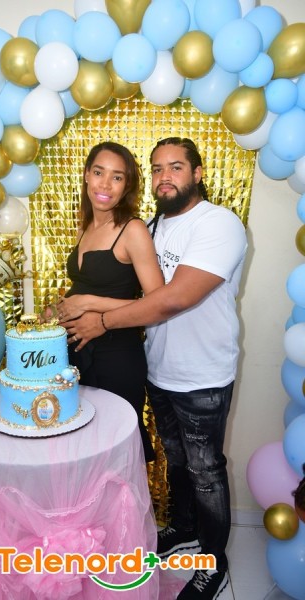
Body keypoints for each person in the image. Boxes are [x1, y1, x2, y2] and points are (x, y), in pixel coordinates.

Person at [62, 137, 248, 600]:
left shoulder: (218, 224)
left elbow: (171, 298)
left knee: (206, 471)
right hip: (160, 368)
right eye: (158, 168)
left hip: (203, 373)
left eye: (176, 167)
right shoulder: (152, 225)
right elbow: (132, 293)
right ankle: (184, 530)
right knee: (177, 462)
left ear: (198, 173)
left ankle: (213, 563)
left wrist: (99, 317)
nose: (166, 176)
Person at [57, 140, 164, 462]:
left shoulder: (132, 229)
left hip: (116, 357)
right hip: (77, 355)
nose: (105, 184)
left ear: (126, 185)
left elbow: (157, 302)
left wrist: (88, 301)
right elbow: (89, 283)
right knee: (82, 453)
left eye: (117, 177)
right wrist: (62, 307)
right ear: (86, 175)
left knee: (115, 455)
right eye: (99, 172)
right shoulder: (87, 225)